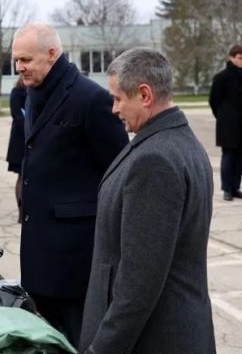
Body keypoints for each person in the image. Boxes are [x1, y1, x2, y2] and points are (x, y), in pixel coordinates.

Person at [80, 48, 215, 354]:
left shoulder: (154, 161)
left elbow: (138, 283)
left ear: (144, 95)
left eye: (118, 99)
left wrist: (102, 349)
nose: (114, 109)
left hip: (157, 338)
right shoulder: (181, 143)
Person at [12, 23, 128, 345]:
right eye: (16, 60)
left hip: (76, 258)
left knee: (80, 341)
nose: (19, 67)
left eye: (25, 59)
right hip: (39, 250)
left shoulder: (91, 99)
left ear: (52, 54)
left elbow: (119, 171)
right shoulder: (32, 93)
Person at [208, 44, 242, 201]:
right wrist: (222, 117)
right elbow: (213, 100)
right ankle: (226, 189)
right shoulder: (221, 77)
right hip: (228, 124)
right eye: (240, 58)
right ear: (231, 58)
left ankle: (235, 187)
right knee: (228, 156)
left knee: (240, 158)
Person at [6, 78, 27, 223]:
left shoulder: (37, 90)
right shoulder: (17, 92)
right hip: (20, 140)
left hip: (35, 140)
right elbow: (16, 115)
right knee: (22, 176)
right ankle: (21, 212)